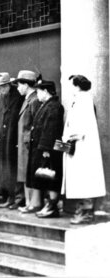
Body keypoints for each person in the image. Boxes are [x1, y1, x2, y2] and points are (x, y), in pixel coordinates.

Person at [62, 75, 106, 224]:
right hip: (79, 147)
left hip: (83, 147)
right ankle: (83, 210)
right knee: (81, 179)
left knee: (84, 180)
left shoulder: (83, 100)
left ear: (77, 86)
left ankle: (86, 212)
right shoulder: (80, 100)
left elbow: (81, 127)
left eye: (71, 85)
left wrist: (68, 136)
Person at [25, 80, 64, 218]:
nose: (38, 94)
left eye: (39, 91)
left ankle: (52, 206)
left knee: (51, 177)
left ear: (46, 91)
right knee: (46, 177)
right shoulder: (48, 105)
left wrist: (46, 150)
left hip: (49, 150)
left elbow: (50, 130)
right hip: (44, 149)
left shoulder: (53, 106)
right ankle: (49, 205)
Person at [0, 72, 23, 209]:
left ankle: (16, 198)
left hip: (14, 138)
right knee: (5, 169)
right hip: (4, 139)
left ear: (8, 85)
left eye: (1, 87)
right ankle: (8, 197)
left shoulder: (18, 96)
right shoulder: (1, 98)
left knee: (13, 168)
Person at [14, 71, 42, 213]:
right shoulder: (28, 99)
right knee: (25, 174)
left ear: (26, 84)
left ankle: (34, 203)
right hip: (25, 144)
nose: (18, 88)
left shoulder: (34, 100)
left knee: (29, 174)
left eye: (19, 85)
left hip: (29, 145)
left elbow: (36, 124)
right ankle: (29, 202)